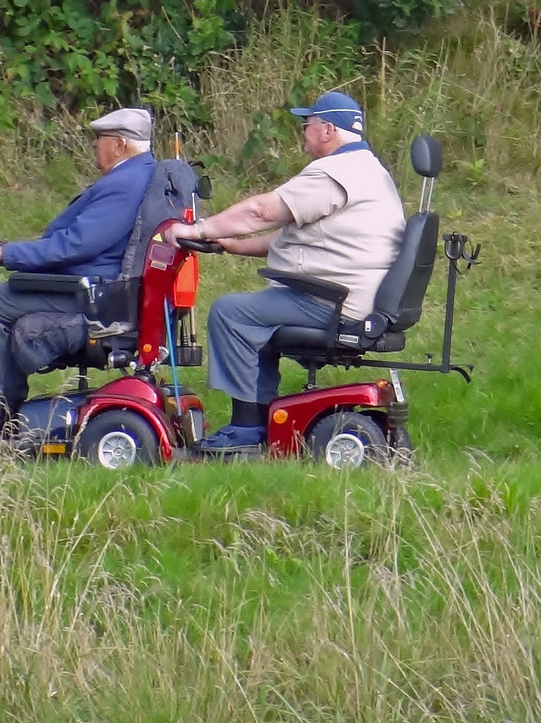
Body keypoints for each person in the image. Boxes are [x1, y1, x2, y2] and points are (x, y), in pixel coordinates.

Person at [162, 91, 405, 455]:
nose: (303, 135)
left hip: (335, 300)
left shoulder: (335, 173)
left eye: (306, 126)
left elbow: (263, 212)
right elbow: (297, 236)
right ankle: (260, 417)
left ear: (327, 130)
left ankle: (246, 428)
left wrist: (198, 230)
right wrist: (232, 243)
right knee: (258, 311)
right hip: (352, 293)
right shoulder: (370, 170)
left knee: (231, 312)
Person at [0, 108, 157, 441]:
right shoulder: (144, 174)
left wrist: (7, 254)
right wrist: (12, 253)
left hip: (90, 293)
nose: (93, 145)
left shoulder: (124, 184)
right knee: (2, 296)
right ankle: (5, 403)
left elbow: (76, 246)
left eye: (99, 139)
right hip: (104, 286)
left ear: (119, 145)